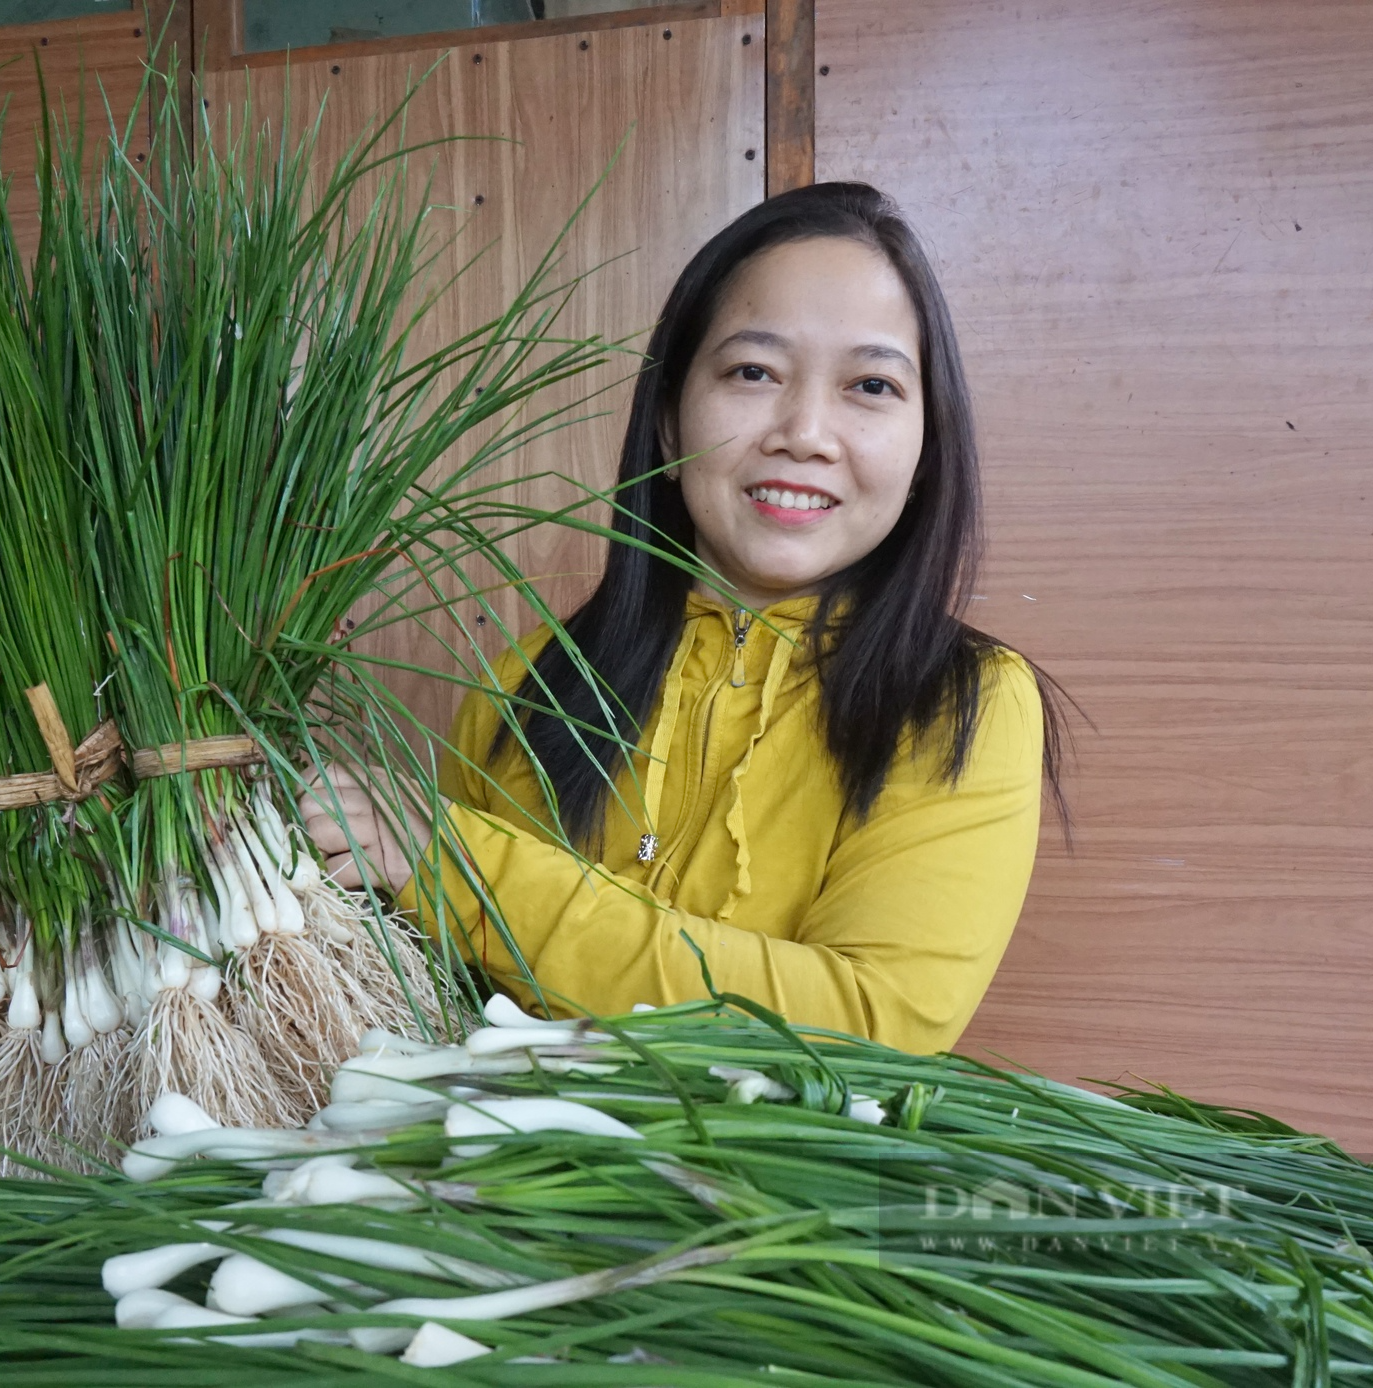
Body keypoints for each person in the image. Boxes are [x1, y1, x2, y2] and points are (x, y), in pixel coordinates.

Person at [302, 182, 1062, 1054]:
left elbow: (864, 1028)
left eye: (871, 385)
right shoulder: (526, 683)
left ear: (928, 445)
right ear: (668, 420)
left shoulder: (964, 705)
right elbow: (429, 1011)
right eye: (753, 372)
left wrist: (454, 863)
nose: (806, 431)